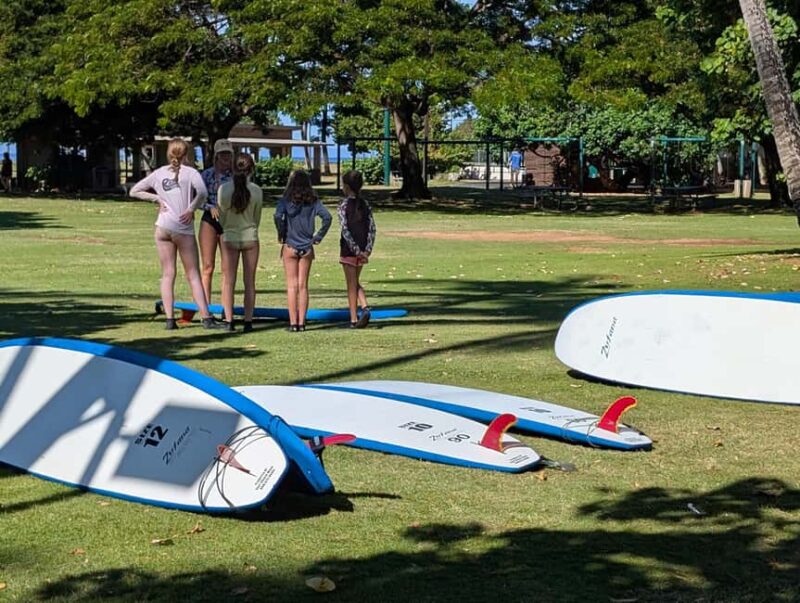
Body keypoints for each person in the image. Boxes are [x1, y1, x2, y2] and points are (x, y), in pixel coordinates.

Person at [129, 138, 223, 330]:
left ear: (169, 154)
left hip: (163, 227)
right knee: (193, 274)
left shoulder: (159, 173)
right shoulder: (191, 173)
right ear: (187, 154)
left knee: (168, 274)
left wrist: (158, 199)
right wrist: (191, 209)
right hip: (183, 228)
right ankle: (206, 317)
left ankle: (170, 320)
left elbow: (135, 191)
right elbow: (203, 193)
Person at [274, 170, 332, 332]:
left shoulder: (286, 200)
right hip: (307, 246)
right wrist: (318, 236)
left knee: (291, 286)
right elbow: (327, 217)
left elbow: (278, 216)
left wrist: (282, 233)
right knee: (303, 286)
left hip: (290, 245)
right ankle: (302, 322)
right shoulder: (313, 201)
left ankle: (293, 324)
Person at [217, 153, 263, 333]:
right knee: (249, 282)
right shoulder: (257, 190)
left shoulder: (223, 189)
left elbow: (221, 218)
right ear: (252, 169)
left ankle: (229, 321)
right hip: (250, 236)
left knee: (228, 282)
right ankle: (248, 321)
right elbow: (257, 217)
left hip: (229, 237)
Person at [338, 170, 376, 329]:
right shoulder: (365, 205)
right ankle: (364, 308)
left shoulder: (343, 205)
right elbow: (372, 228)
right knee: (355, 282)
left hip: (349, 251)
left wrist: (355, 250)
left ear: (346, 186)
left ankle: (355, 317)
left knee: (351, 285)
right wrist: (366, 250)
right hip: (362, 250)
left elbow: (345, 229)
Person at [199, 139, 234, 307]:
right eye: (223, 154)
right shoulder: (206, 175)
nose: (226, 157)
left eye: (228, 154)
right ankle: (206, 309)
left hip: (229, 222)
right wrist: (209, 207)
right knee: (207, 266)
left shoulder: (236, 177)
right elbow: (196, 199)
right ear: (216, 156)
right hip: (209, 220)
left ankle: (226, 310)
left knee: (227, 269)